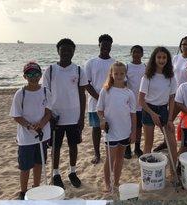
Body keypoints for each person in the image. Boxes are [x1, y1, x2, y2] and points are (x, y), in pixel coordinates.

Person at [42, 38, 87, 189]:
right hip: (55, 117)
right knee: (56, 146)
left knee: (73, 145)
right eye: (63, 50)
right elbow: (45, 94)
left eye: (70, 50)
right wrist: (49, 116)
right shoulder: (51, 70)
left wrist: (81, 117)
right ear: (58, 51)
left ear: (74, 52)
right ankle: (55, 174)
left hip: (74, 116)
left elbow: (82, 94)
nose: (66, 53)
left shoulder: (79, 70)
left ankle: (72, 172)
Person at [10, 61, 51, 199]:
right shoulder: (20, 94)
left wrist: (41, 124)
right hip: (25, 138)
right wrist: (29, 126)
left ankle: (36, 187)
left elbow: (48, 112)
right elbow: (16, 116)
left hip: (42, 135)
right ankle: (23, 191)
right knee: (25, 167)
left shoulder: (45, 91)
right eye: (30, 74)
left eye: (36, 73)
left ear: (40, 75)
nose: (33, 77)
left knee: (39, 163)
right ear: (25, 76)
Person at [155, 36, 187, 152]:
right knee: (166, 121)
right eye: (183, 44)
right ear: (180, 46)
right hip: (173, 94)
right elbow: (169, 73)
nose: (185, 46)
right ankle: (167, 142)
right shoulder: (176, 58)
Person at [97, 62, 136, 192]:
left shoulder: (129, 93)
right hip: (111, 131)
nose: (119, 76)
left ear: (125, 74)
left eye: (122, 73)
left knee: (120, 158)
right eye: (116, 73)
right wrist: (102, 120)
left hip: (125, 131)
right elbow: (99, 110)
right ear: (112, 74)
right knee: (110, 158)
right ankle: (108, 183)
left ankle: (117, 181)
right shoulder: (106, 90)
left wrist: (133, 132)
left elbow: (133, 114)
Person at [138, 46, 177, 167]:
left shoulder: (171, 77)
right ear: (154, 59)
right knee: (148, 143)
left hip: (163, 110)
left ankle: (173, 173)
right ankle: (146, 170)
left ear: (168, 59)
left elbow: (171, 99)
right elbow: (141, 100)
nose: (161, 60)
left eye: (164, 57)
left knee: (172, 143)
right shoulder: (147, 77)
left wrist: (170, 119)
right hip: (148, 109)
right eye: (159, 57)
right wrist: (152, 114)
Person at [85, 34, 116, 164]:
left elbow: (119, 82)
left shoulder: (114, 63)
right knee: (97, 128)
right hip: (95, 102)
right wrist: (99, 98)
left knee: (111, 127)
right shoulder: (90, 63)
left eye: (108, 46)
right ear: (99, 45)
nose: (105, 48)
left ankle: (111, 152)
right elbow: (87, 84)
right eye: (103, 46)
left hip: (111, 103)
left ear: (111, 47)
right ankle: (97, 154)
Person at [125, 45, 145, 158]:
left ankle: (137, 148)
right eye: (134, 52)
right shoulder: (127, 67)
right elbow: (123, 85)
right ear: (131, 53)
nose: (136, 54)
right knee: (128, 127)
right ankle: (127, 149)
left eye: (139, 52)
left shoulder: (145, 67)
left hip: (141, 104)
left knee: (138, 127)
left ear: (142, 54)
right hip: (129, 104)